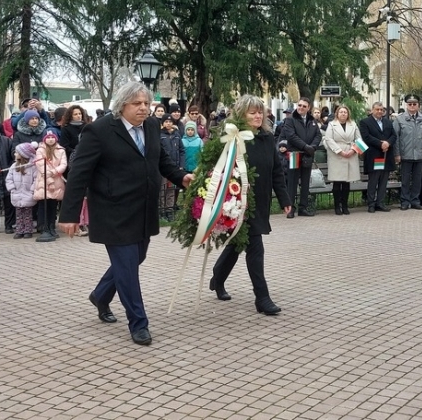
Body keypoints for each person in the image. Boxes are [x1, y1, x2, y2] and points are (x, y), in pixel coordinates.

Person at [58, 82, 192, 347]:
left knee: (136, 257)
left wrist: (182, 177)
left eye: (146, 103)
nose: (143, 108)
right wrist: (69, 214)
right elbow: (79, 174)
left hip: (143, 209)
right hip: (113, 211)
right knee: (128, 268)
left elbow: (161, 161)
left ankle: (101, 295)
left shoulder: (152, 126)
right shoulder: (98, 131)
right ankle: (138, 323)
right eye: (137, 104)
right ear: (122, 105)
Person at [209, 94, 291, 315]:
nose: (257, 115)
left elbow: (275, 170)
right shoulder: (232, 137)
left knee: (237, 244)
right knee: (255, 247)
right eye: (252, 112)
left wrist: (284, 199)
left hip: (259, 201)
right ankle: (262, 298)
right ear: (241, 115)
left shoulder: (266, 137)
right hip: (237, 202)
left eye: (259, 112)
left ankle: (218, 277)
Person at [282, 97, 322, 218]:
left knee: (305, 182)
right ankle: (290, 209)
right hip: (295, 154)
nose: (301, 108)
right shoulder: (290, 120)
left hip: (308, 155)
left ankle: (303, 207)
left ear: (308, 108)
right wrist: (305, 146)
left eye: (304, 106)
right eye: (299, 105)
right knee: (292, 183)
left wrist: (313, 147)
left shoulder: (312, 121)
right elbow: (291, 136)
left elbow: (318, 135)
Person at [393, 94, 422, 211]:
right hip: (406, 154)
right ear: (406, 105)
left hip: (420, 154)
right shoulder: (399, 119)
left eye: (414, 104)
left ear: (418, 105)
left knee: (417, 180)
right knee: (405, 180)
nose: (412, 106)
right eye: (410, 104)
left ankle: (415, 200)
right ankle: (405, 201)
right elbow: (396, 138)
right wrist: (397, 154)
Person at [323, 104, 362, 215]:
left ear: (348, 114)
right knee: (337, 182)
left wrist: (353, 150)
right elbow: (328, 139)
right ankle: (337, 206)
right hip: (336, 155)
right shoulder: (332, 124)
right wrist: (339, 151)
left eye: (345, 112)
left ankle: (345, 206)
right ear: (337, 114)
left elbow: (359, 139)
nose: (343, 114)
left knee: (346, 183)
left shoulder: (353, 124)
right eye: (341, 112)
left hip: (350, 153)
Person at [359, 101, 396, 213]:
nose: (379, 111)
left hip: (386, 155)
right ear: (372, 110)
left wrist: (388, 143)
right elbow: (366, 137)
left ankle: (380, 203)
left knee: (384, 180)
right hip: (375, 155)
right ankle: (371, 203)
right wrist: (381, 144)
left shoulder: (388, 122)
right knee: (374, 180)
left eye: (381, 110)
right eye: (377, 109)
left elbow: (394, 135)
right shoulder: (365, 122)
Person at [33, 130, 67, 242]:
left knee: (53, 205)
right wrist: (49, 175)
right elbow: (40, 164)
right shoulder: (40, 150)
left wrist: (53, 172)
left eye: (52, 137)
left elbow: (63, 164)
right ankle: (43, 227)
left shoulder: (61, 150)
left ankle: (52, 226)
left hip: (57, 180)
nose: (50, 139)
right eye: (48, 137)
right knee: (43, 205)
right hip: (43, 181)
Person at [5, 141, 38, 239]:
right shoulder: (13, 166)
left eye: (17, 152)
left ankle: (28, 230)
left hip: (28, 194)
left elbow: (36, 179)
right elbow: (9, 178)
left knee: (28, 214)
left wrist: (32, 190)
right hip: (17, 193)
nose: (15, 154)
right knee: (18, 214)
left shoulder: (32, 166)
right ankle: (19, 230)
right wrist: (12, 188)